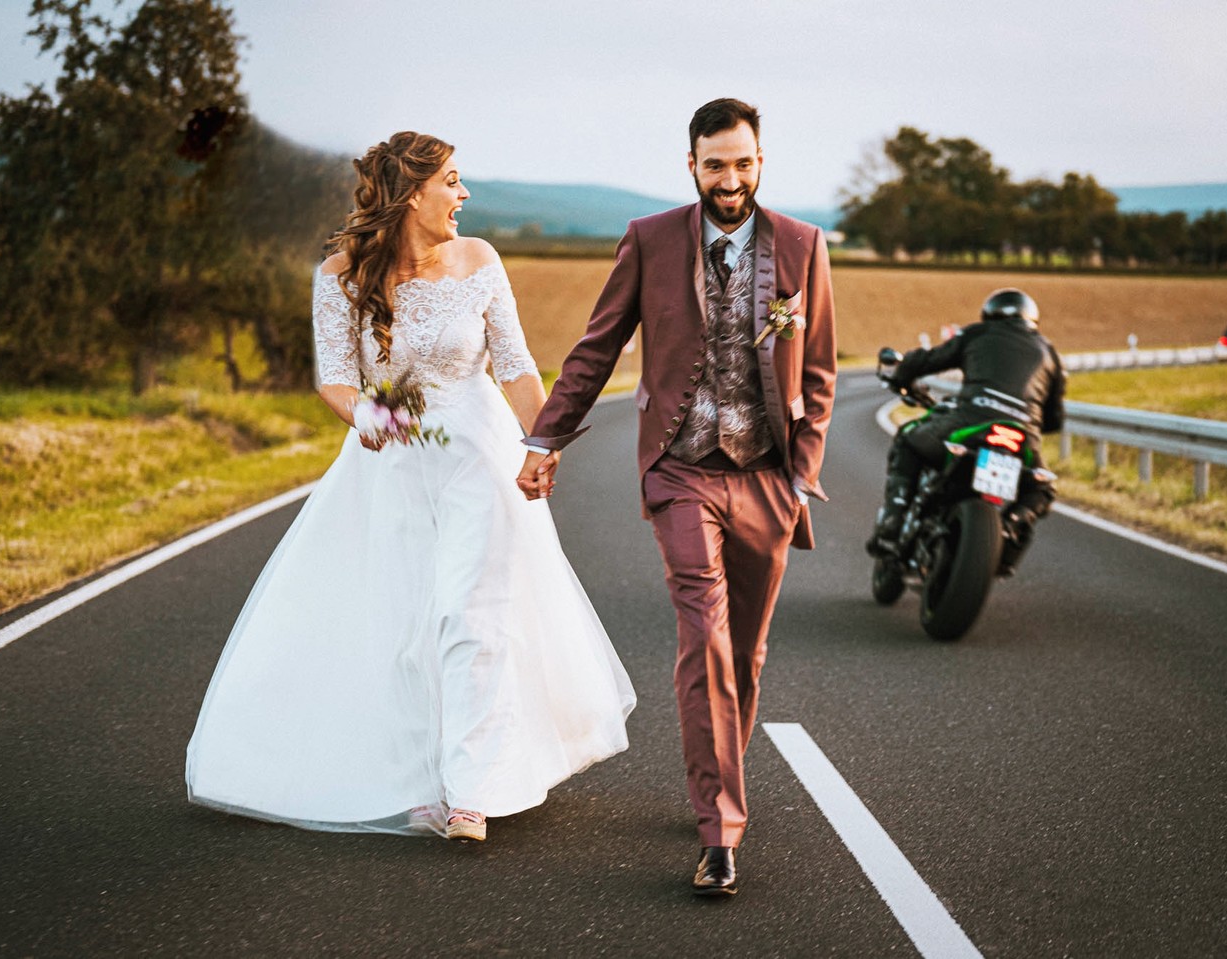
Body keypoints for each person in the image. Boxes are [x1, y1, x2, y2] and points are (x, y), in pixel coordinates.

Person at [187, 132, 635, 843]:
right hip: (391, 458)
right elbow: (334, 374)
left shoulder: (480, 260)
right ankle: (419, 773)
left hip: (478, 457)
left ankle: (471, 790)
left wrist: (540, 441)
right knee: (404, 625)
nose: (464, 196)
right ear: (411, 193)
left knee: (469, 613)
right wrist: (366, 414)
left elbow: (516, 366)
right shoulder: (339, 274)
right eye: (452, 182)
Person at [516, 99, 837, 895]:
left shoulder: (802, 244)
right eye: (715, 164)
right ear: (690, 166)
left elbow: (821, 370)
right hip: (681, 468)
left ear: (762, 161)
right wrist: (544, 437)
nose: (731, 178)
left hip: (765, 477)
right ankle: (720, 830)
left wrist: (800, 471)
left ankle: (715, 770)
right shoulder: (651, 240)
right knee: (705, 637)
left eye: (744, 162)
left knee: (747, 654)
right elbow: (598, 346)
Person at [866, 288, 1066, 556]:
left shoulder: (979, 334)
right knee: (1042, 487)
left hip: (972, 423)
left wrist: (903, 373)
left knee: (908, 438)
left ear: (990, 314)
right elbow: (1053, 419)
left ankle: (895, 515)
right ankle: (1012, 526)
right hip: (1022, 439)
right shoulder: (1050, 354)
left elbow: (930, 359)